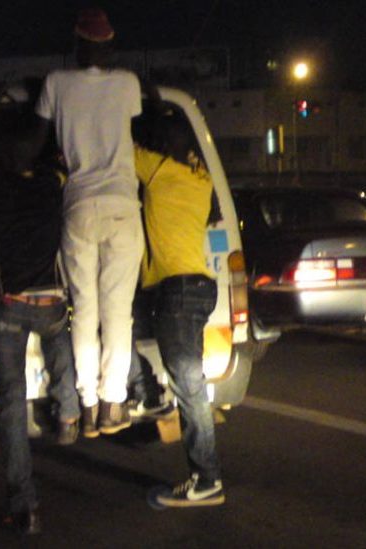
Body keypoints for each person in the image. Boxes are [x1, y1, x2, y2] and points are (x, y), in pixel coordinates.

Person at [33, 7, 144, 437]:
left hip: (77, 204)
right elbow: (138, 122)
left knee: (84, 310)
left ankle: (87, 400)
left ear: (77, 46)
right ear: (111, 46)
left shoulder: (56, 84)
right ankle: (112, 405)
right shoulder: (127, 84)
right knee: (118, 311)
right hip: (121, 204)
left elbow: (40, 140)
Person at [0, 85, 81, 535]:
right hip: (50, 301)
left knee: (11, 402)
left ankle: (25, 505)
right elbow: (57, 158)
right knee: (61, 336)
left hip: (8, 307)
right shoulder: (50, 186)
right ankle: (69, 411)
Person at [132, 107, 225, 507]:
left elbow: (120, 148)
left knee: (190, 389)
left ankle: (206, 481)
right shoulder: (200, 179)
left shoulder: (158, 170)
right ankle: (146, 391)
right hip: (199, 288)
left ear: (164, 148)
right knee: (191, 384)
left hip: (179, 291)